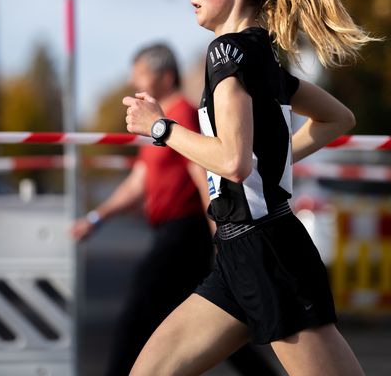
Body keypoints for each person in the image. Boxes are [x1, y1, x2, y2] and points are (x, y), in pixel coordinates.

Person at [123, 0, 374, 376]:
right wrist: (270, 166)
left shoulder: (227, 52)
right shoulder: (263, 58)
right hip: (239, 255)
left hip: (267, 254)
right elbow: (339, 119)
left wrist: (160, 128)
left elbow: (234, 162)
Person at [71, 43, 279, 376]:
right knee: (215, 320)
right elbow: (138, 182)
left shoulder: (179, 115)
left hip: (183, 234)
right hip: (171, 233)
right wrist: (96, 219)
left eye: (140, 71)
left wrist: (222, 235)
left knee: (137, 316)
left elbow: (201, 177)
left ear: (166, 76)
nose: (132, 79)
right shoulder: (155, 123)